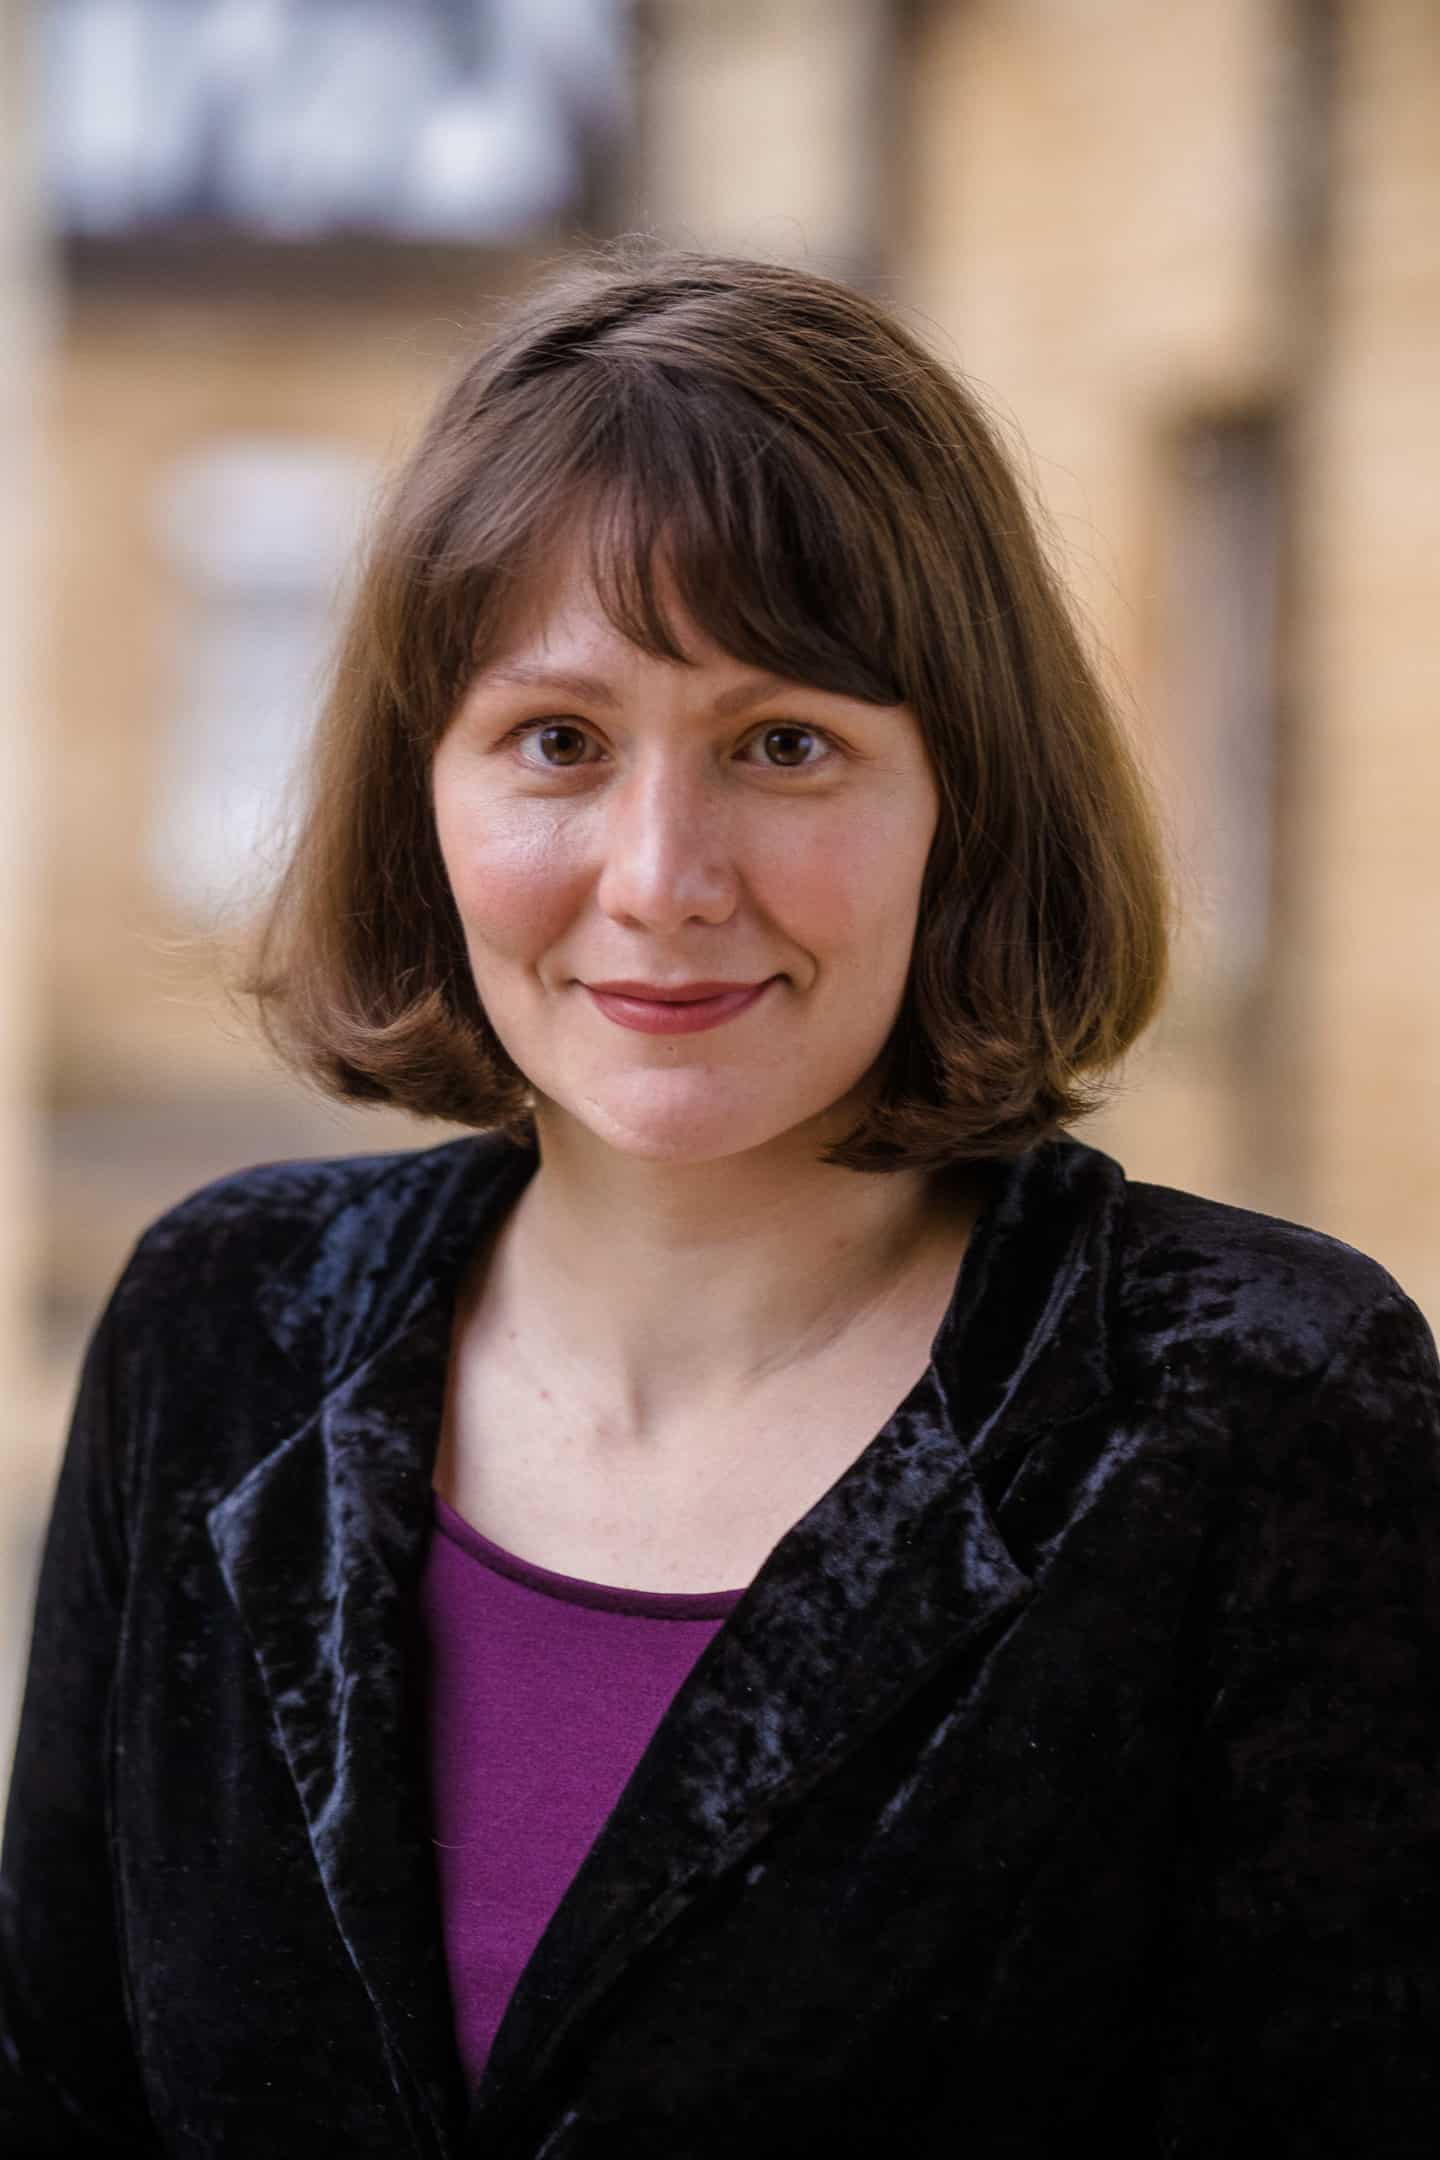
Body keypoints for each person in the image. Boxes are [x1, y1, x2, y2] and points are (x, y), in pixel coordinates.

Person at [3, 249, 1438, 2160]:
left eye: (785, 745)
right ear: (424, 797)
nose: (664, 877)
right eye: (558, 742)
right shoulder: (221, 1321)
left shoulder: (1258, 1406)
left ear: (966, 804)